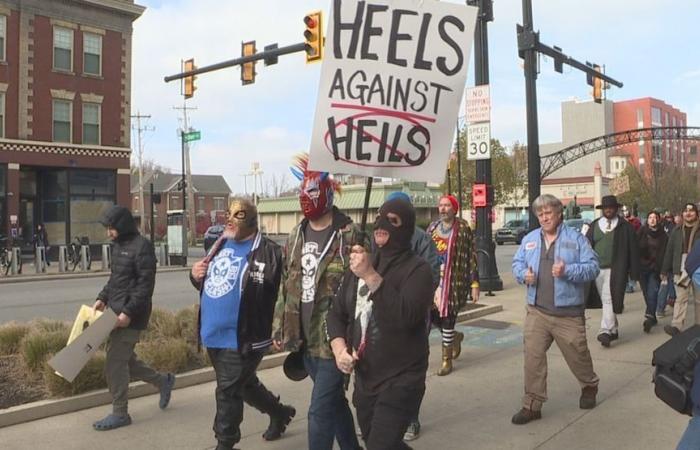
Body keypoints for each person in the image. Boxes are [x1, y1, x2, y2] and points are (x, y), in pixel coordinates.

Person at [327, 197, 434, 450]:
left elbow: (406, 317)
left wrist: (370, 275)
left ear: (406, 227)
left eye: (392, 220)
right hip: (366, 379)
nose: (382, 225)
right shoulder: (361, 263)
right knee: (384, 443)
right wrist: (339, 349)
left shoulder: (418, 270)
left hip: (402, 378)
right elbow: (336, 314)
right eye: (378, 219)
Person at [272, 154, 362, 450]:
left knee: (319, 411)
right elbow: (286, 284)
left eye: (312, 192)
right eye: (302, 191)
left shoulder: (349, 234)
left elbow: (363, 288)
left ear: (326, 192)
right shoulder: (296, 234)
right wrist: (279, 327)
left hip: (334, 341)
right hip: (304, 339)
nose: (305, 198)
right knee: (334, 403)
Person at [190, 198, 295, 450]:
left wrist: (281, 328)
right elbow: (211, 281)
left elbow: (284, 294)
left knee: (227, 392)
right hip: (213, 335)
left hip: (245, 337)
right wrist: (194, 275)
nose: (229, 219)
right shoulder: (220, 243)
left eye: (236, 215)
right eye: (228, 213)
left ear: (250, 220)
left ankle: (225, 443)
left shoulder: (269, 252)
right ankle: (279, 413)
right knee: (243, 386)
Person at [511, 194, 600, 425]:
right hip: (537, 311)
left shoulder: (576, 239)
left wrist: (568, 270)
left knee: (578, 355)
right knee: (533, 358)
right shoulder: (530, 239)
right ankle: (532, 404)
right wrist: (523, 275)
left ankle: (589, 384)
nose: (544, 218)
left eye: (548, 213)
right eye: (540, 214)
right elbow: (517, 264)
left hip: (568, 314)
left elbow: (592, 268)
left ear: (559, 213)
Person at [92, 205, 174, 431]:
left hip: (131, 315)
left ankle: (120, 413)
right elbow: (116, 280)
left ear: (122, 225)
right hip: (113, 313)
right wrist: (102, 298)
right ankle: (163, 381)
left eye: (111, 228)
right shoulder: (119, 246)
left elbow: (145, 286)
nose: (109, 232)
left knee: (114, 363)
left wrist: (127, 313)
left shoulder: (142, 247)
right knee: (126, 360)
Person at [383, 191, 440, 442]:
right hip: (383, 315)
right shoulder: (380, 237)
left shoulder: (422, 240)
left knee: (410, 370)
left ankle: (411, 418)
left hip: (413, 316)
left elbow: (432, 273)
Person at [426, 194, 479, 376]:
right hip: (433, 282)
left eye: (447, 205)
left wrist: (474, 283)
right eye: (440, 205)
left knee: (448, 318)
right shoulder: (432, 228)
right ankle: (454, 337)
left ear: (454, 208)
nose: (442, 209)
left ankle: (446, 359)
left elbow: (471, 255)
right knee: (433, 316)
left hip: (453, 282)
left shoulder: (463, 228)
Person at [585, 195, 640, 348]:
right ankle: (613, 328)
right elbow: (586, 247)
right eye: (606, 208)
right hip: (596, 269)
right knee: (605, 300)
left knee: (609, 297)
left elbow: (633, 250)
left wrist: (634, 272)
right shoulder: (594, 226)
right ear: (602, 210)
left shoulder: (625, 227)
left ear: (616, 209)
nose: (608, 210)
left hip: (617, 269)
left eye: (611, 207)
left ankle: (605, 331)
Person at [662, 203, 700, 336]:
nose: (688, 213)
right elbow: (669, 251)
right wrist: (664, 270)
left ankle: (698, 326)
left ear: (696, 214)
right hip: (680, 267)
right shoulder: (676, 231)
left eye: (691, 211)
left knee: (698, 299)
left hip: (697, 268)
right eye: (685, 211)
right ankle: (676, 326)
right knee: (680, 298)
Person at [637, 211, 668, 333]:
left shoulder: (663, 235)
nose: (652, 220)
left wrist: (665, 270)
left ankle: (649, 317)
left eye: (655, 217)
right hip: (642, 268)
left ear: (659, 220)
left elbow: (666, 253)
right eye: (650, 217)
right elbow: (634, 248)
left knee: (653, 292)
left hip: (656, 268)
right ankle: (653, 316)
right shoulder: (641, 232)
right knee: (646, 293)